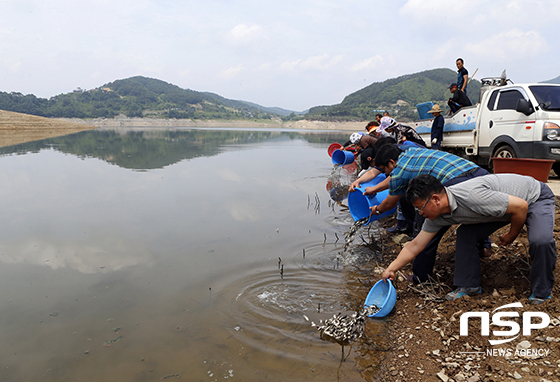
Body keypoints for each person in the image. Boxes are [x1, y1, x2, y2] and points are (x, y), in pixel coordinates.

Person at [382, 173, 556, 305]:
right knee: (466, 233)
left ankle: (542, 292)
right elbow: (415, 245)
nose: (420, 214)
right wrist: (392, 268)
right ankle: (469, 285)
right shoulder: (438, 216)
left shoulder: (471, 197)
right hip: (504, 206)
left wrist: (511, 235)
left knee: (541, 240)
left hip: (533, 197)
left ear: (435, 199)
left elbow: (521, 206)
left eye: (421, 208)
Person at [368, 144, 492, 282]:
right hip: (479, 174)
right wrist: (375, 189)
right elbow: (393, 181)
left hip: (455, 182)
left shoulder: (398, 172)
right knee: (476, 211)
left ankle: (420, 277)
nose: (386, 174)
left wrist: (377, 209)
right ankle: (484, 247)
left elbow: (389, 203)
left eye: (385, 169)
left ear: (391, 162)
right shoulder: (411, 152)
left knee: (427, 229)